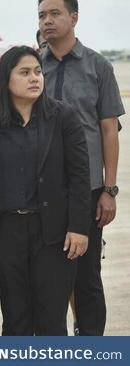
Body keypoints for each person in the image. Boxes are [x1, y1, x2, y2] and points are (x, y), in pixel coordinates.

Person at [0, 45, 91, 335]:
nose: (35, 78)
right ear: (6, 79)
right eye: (25, 72)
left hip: (52, 234)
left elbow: (80, 176)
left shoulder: (63, 117)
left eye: (38, 72)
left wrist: (79, 227)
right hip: (5, 234)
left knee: (51, 318)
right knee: (15, 318)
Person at [38, 0, 125, 336]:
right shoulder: (33, 67)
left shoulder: (98, 67)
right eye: (42, 15)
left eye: (54, 14)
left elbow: (108, 131)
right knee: (48, 280)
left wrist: (109, 190)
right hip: (41, 191)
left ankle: (92, 347)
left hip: (87, 191)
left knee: (87, 278)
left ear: (74, 18)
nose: (47, 21)